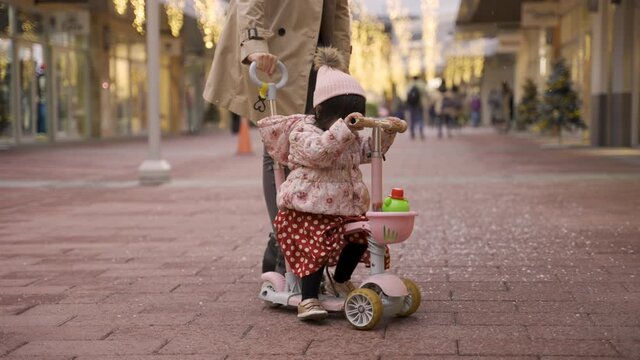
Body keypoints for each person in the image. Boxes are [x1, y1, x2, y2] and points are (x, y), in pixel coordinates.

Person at [203, 1, 353, 275]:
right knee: (280, 148)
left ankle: (285, 246)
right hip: (276, 54)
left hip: (319, 61)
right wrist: (255, 45)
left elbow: (340, 10)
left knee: (317, 149)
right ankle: (287, 246)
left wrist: (340, 61)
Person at [257, 48, 400, 321]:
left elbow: (368, 152)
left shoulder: (349, 136)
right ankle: (309, 297)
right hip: (305, 211)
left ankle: (342, 278)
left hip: (341, 210)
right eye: (342, 117)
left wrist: (386, 133)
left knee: (363, 236)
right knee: (316, 243)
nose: (348, 125)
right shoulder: (303, 131)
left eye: (354, 117)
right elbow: (320, 153)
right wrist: (344, 129)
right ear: (320, 110)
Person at [405, 75, 427, 140]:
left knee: (412, 119)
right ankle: (421, 132)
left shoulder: (410, 85)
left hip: (412, 104)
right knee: (420, 118)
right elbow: (426, 94)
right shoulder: (422, 84)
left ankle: (412, 133)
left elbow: (407, 94)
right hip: (420, 104)